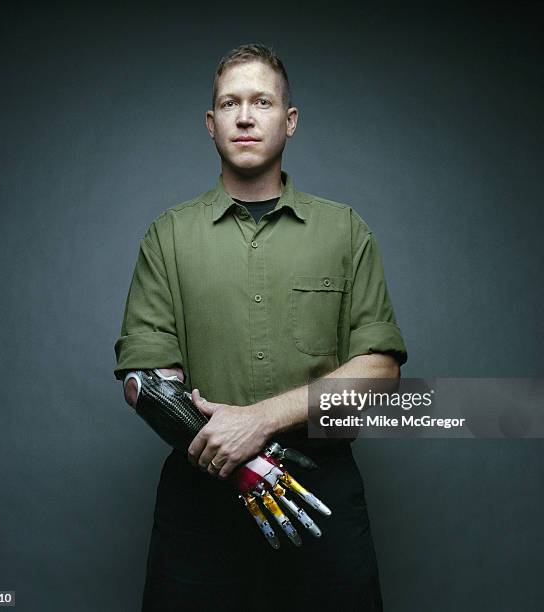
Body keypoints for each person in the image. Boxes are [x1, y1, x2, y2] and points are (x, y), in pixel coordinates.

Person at [114, 43, 407, 611]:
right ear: (211, 122)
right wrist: (242, 458)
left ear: (289, 121)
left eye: (262, 101)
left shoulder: (346, 232)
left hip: (320, 490)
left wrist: (261, 420)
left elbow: (381, 369)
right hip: (201, 498)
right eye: (230, 103)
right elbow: (148, 381)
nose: (245, 116)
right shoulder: (167, 237)